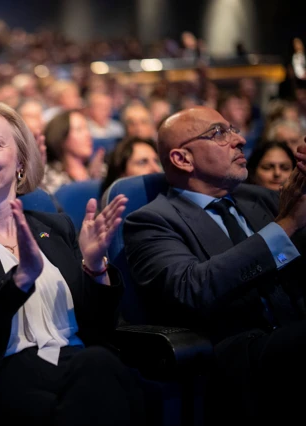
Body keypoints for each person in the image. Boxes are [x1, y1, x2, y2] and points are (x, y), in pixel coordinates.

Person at [0, 101, 144, 426]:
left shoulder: (55, 226)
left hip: (80, 365)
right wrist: (19, 281)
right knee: (102, 374)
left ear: (21, 159)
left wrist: (94, 267)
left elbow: (100, 329)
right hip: (5, 378)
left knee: (100, 369)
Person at [123, 105, 306, 424]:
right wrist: (286, 225)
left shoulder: (258, 198)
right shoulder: (152, 221)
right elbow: (192, 288)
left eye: (234, 129)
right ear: (182, 159)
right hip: (237, 352)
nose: (239, 139)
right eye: (220, 133)